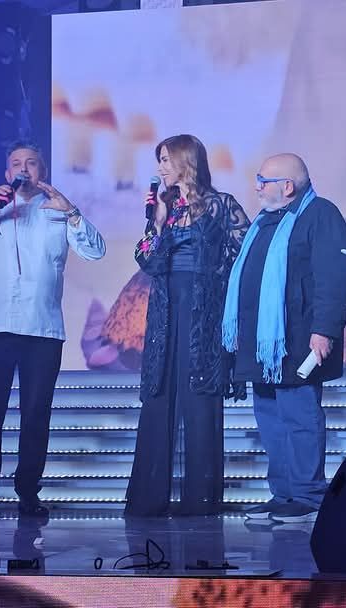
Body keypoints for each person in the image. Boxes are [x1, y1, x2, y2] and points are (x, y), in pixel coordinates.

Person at [0, 141, 106, 518]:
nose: (23, 169)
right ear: (7, 173)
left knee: (36, 416)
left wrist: (72, 212)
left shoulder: (58, 211)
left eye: (31, 163)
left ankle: (28, 492)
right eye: (16, 163)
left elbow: (95, 251)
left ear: (42, 172)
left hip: (42, 330)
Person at [125, 134, 250, 516]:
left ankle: (200, 500)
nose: (160, 167)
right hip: (166, 312)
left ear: (185, 160)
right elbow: (146, 260)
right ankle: (150, 499)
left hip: (203, 314)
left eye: (165, 159)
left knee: (199, 400)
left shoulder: (221, 204)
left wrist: (219, 290)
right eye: (159, 160)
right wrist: (158, 222)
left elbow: (244, 255)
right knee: (160, 397)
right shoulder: (163, 208)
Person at [223, 153, 346, 523]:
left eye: (263, 180)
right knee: (270, 418)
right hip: (262, 344)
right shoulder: (266, 220)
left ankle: (308, 494)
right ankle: (283, 493)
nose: (257, 187)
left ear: (288, 186)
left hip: (297, 340)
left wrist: (324, 330)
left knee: (299, 416)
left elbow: (332, 277)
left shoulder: (320, 214)